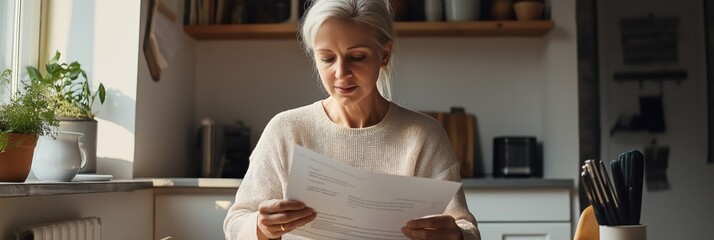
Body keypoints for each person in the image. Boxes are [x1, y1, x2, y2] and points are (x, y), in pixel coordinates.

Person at [223, 0, 480, 239]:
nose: (340, 73)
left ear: (384, 54)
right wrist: (260, 226)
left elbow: (466, 227)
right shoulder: (286, 130)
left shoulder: (424, 136)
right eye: (327, 58)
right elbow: (235, 223)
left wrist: (457, 236)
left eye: (356, 57)